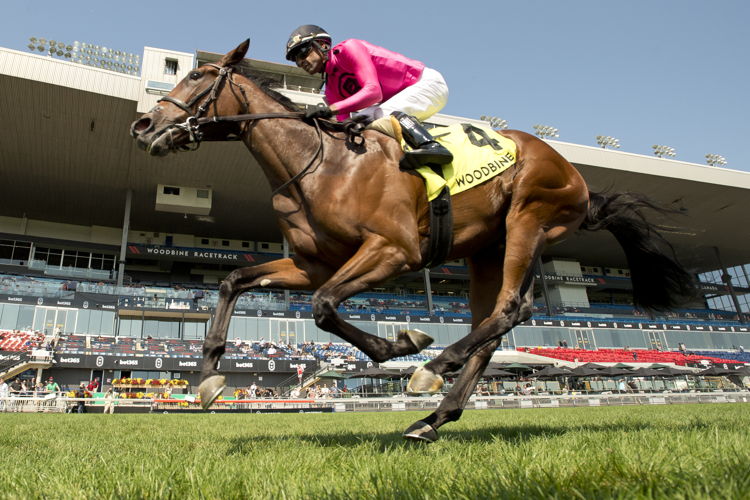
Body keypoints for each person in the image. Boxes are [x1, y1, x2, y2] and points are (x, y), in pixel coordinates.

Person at [285, 25, 452, 168]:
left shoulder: (349, 48)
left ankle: (430, 145)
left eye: (302, 53)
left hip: (426, 84)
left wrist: (330, 109)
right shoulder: (330, 89)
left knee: (380, 114)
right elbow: (344, 125)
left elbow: (373, 92)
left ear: (322, 45)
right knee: (361, 122)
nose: (301, 63)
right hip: (398, 99)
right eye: (296, 61)